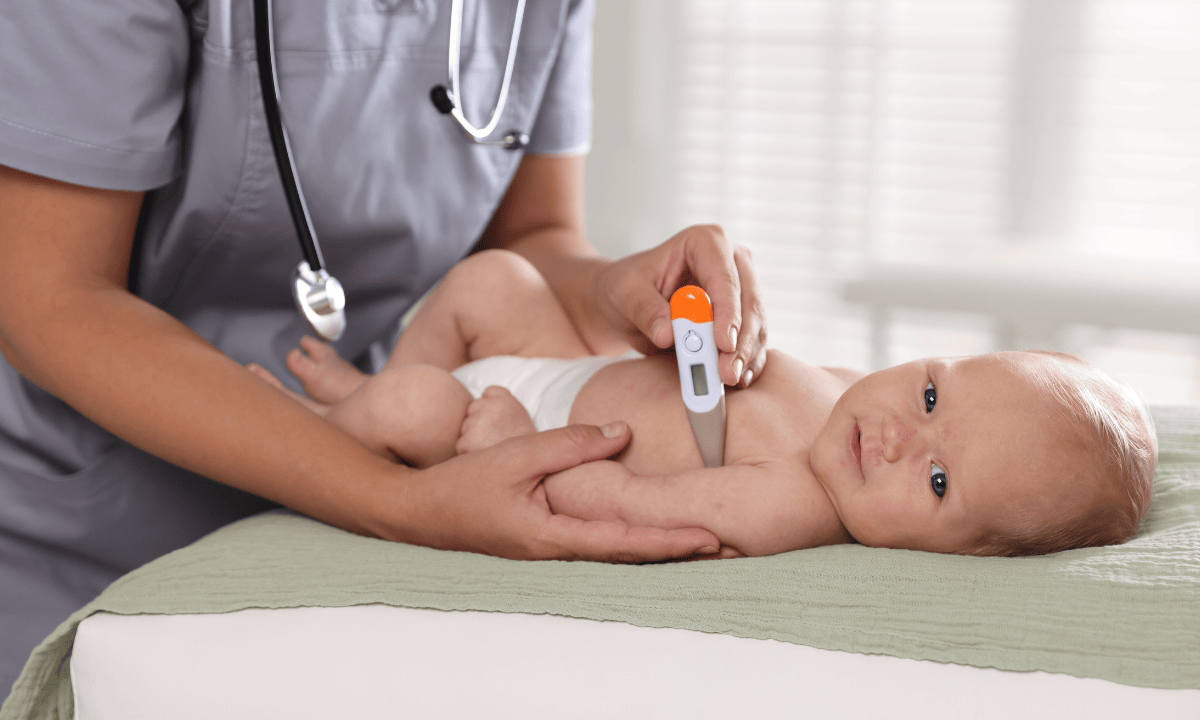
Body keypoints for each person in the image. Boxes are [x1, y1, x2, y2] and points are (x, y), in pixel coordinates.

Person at [0, 0, 770, 691]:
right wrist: (394, 501)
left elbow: (531, 234)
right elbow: (49, 298)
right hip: (79, 517)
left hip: (350, 504)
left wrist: (608, 287)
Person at [254, 248, 1159, 558]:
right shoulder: (852, 395)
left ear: (958, 554)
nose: (892, 435)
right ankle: (363, 393)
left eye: (935, 480)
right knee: (496, 279)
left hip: (515, 425)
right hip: (575, 363)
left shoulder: (793, 502)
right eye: (929, 392)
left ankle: (338, 425)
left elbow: (631, 512)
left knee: (418, 407)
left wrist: (511, 441)